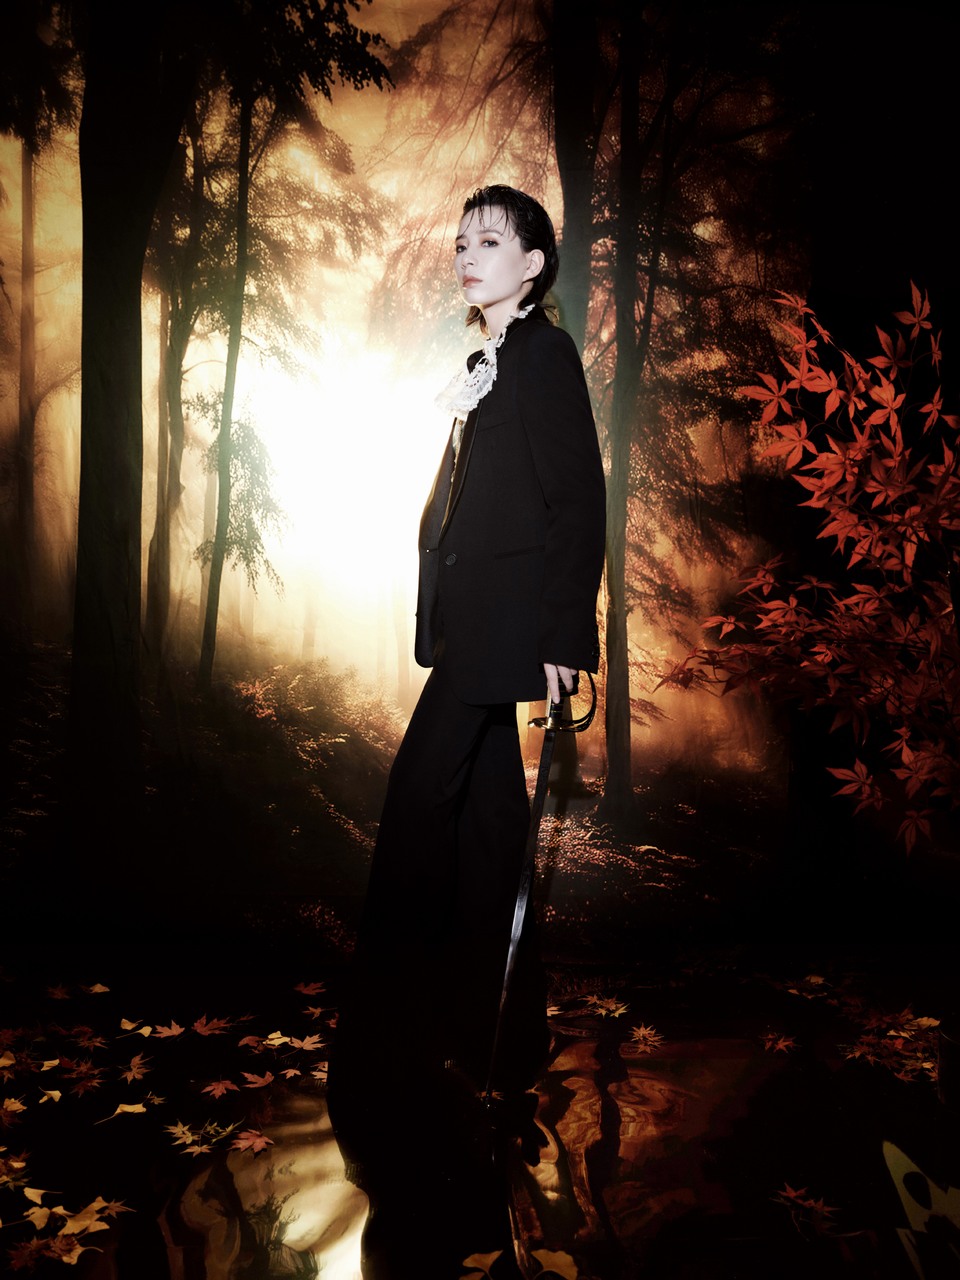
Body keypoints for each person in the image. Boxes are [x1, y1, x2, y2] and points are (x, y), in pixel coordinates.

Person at [334, 185, 606, 1109]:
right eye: (460, 242)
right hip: (471, 627)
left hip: (506, 631)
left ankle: (393, 1023)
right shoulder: (487, 362)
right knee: (489, 828)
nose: (466, 254)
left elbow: (577, 500)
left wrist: (565, 633)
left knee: (420, 799)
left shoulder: (543, 355)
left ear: (533, 263)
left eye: (488, 241)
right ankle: (498, 1031)